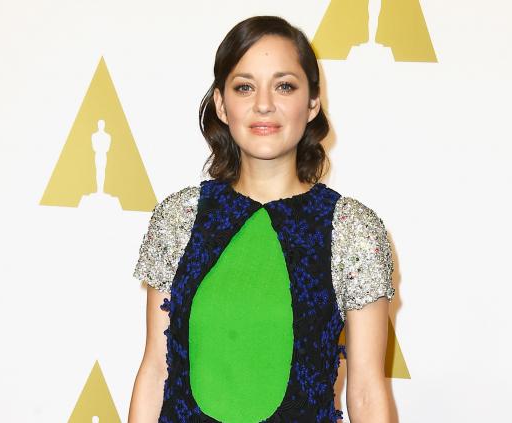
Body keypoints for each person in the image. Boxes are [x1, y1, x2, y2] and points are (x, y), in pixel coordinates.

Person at [128, 15, 396, 423]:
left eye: (284, 86)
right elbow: (154, 371)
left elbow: (366, 390)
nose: (264, 104)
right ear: (222, 104)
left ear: (312, 103)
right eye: (245, 87)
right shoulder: (179, 217)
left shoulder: (352, 229)